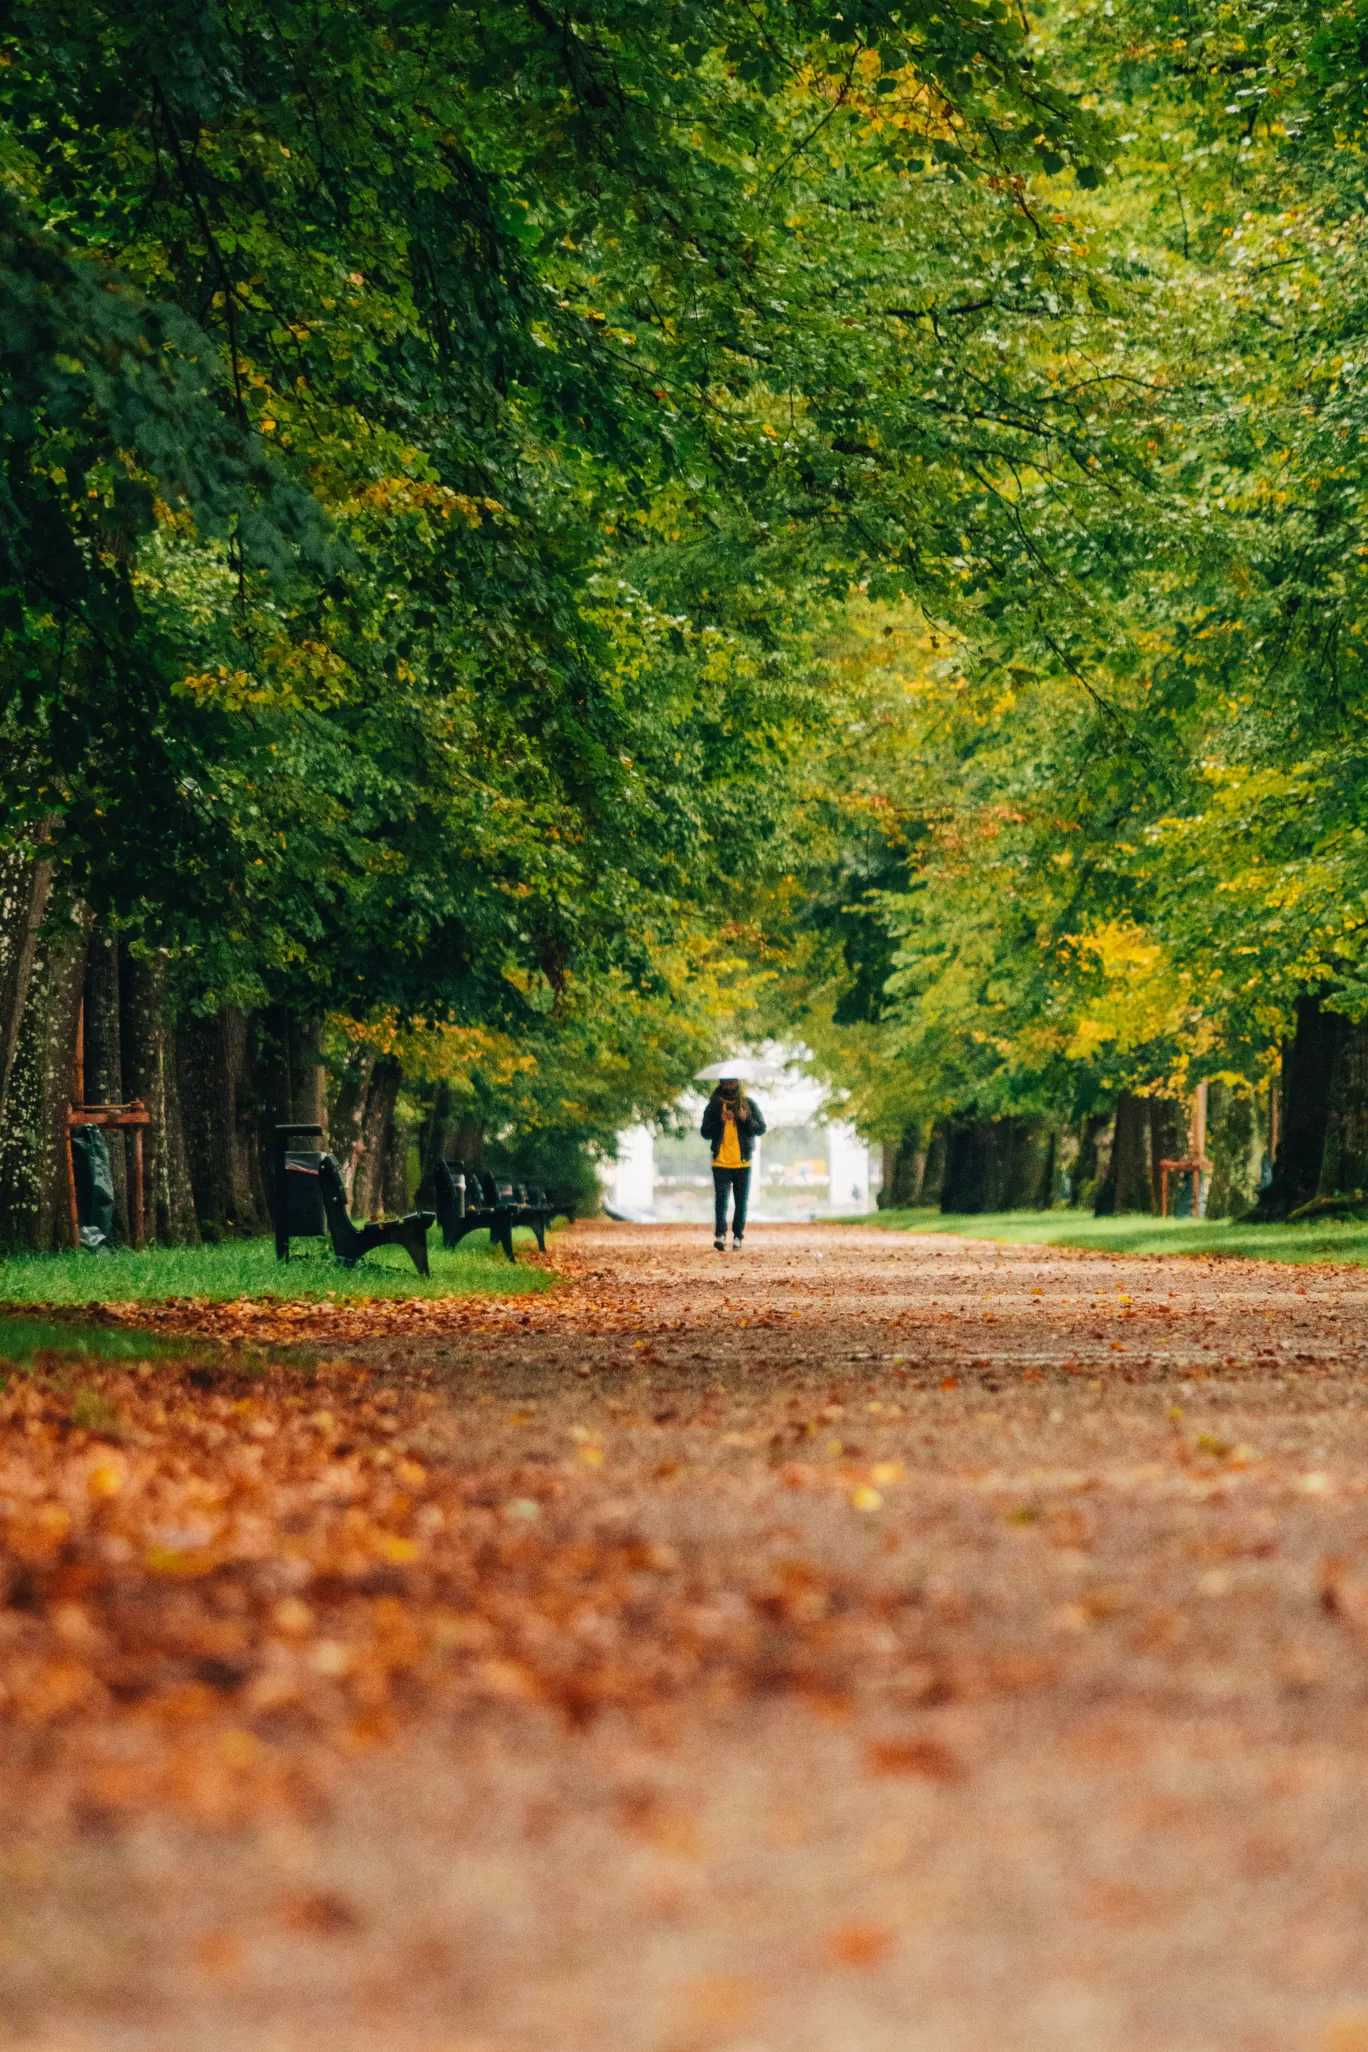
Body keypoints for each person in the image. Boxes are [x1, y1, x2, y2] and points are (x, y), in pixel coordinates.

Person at [700, 1076, 766, 1252]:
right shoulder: (713, 1106)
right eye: (725, 1082)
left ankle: (738, 1236)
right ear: (720, 1083)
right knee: (721, 1200)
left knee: (741, 1202)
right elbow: (705, 1132)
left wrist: (745, 1119)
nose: (728, 1085)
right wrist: (719, 1121)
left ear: (737, 1083)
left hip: (742, 1161)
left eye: (732, 1082)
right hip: (720, 1161)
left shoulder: (748, 1104)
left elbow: (761, 1128)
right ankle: (720, 1235)